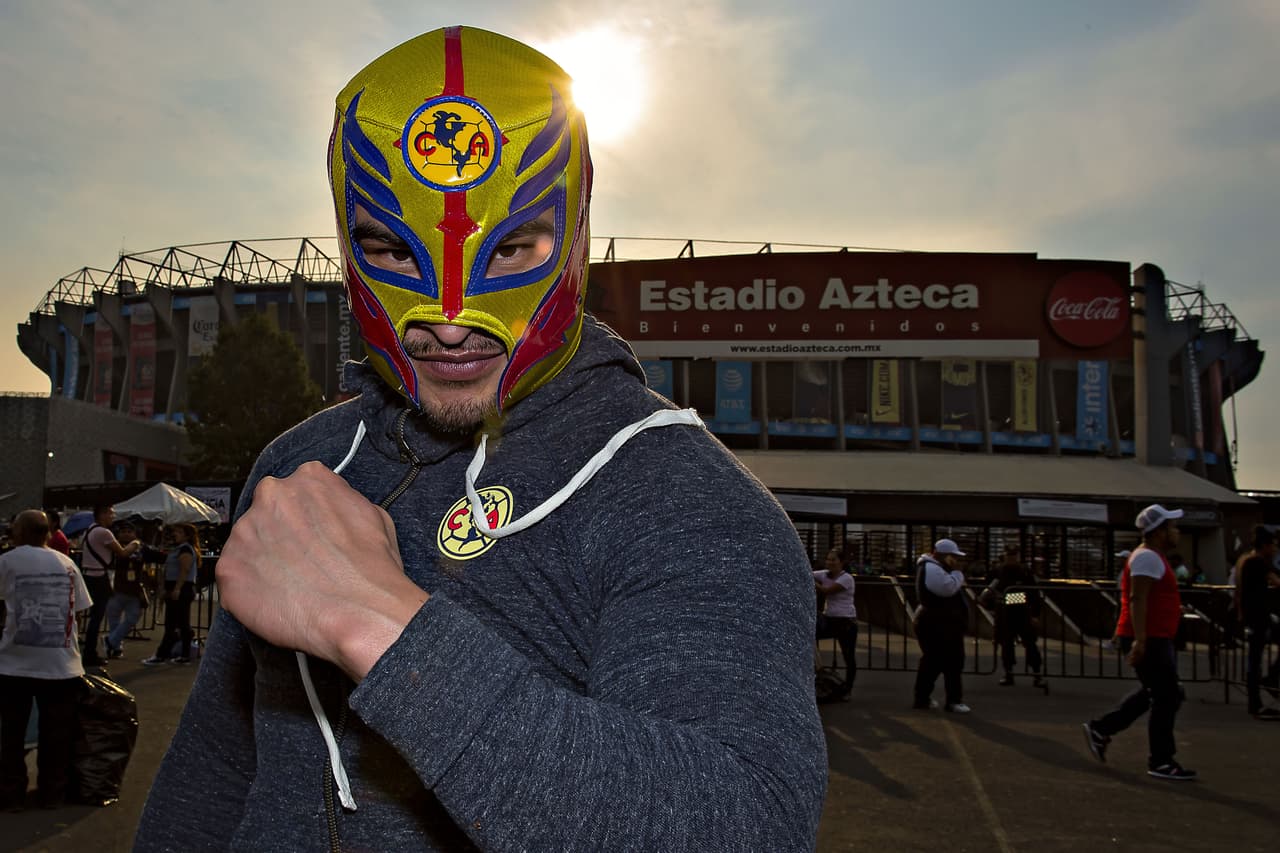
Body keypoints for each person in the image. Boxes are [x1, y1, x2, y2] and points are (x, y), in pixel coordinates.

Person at [135, 26, 825, 852]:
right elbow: (217, 767)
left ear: (574, 233)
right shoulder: (297, 465)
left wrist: (381, 625)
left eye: (514, 247)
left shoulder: (686, 499)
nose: (451, 319)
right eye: (391, 248)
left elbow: (746, 822)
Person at [1084, 504, 1197, 780]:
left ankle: (1102, 729)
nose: (1176, 531)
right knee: (1166, 696)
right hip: (1151, 637)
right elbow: (1138, 599)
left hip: (1155, 636)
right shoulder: (1148, 558)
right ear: (1159, 531)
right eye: (1172, 526)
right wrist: (1140, 641)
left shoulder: (1152, 557)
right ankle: (1160, 760)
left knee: (1160, 693)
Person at [0, 509, 93, 810]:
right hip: (62, 666)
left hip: (14, 663)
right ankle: (52, 794)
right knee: (56, 735)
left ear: (21, 532)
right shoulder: (67, 563)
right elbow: (80, 608)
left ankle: (11, 794)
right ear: (47, 533)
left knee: (11, 734)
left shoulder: (7, 561)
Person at [912, 539, 970, 713]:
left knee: (938, 661)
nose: (957, 561)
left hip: (942, 623)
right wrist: (958, 574)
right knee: (943, 661)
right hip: (939, 624)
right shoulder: (932, 568)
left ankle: (926, 698)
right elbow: (947, 588)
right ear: (945, 555)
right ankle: (951, 700)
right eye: (954, 557)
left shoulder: (934, 568)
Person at [79, 504, 141, 666]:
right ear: (102, 514)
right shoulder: (103, 532)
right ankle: (90, 653)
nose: (113, 517)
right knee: (96, 617)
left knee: (95, 616)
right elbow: (122, 553)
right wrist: (135, 543)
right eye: (111, 514)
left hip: (90, 575)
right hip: (99, 577)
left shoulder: (90, 530)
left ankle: (90, 651)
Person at [1235, 526, 1280, 719]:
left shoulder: (1244, 560)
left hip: (1250, 615)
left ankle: (1264, 688)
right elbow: (1276, 581)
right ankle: (1259, 699)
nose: (1276, 549)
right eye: (1273, 546)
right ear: (1265, 545)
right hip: (1258, 616)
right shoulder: (1258, 562)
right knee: (1254, 661)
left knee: (1254, 660)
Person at [983, 544, 1043, 687]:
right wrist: (993, 605)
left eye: (1013, 556)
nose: (1011, 559)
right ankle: (1008, 673)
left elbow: (1034, 594)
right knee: (1006, 644)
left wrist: (1035, 614)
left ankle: (1037, 674)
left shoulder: (1025, 572)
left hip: (1023, 613)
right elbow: (987, 593)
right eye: (1009, 556)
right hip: (1004, 615)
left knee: (1030, 644)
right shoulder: (996, 572)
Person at [103, 523, 165, 660]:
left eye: (129, 531)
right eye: (123, 531)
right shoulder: (112, 546)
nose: (126, 534)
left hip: (134, 591)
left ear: (135, 533)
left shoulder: (141, 548)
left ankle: (111, 641)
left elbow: (159, 556)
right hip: (115, 589)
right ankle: (116, 648)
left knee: (132, 618)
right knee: (114, 621)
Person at [141, 523, 200, 666]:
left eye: (179, 532)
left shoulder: (185, 549)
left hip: (181, 588)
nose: (175, 534)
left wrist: (177, 589)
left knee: (175, 623)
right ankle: (177, 654)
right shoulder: (178, 549)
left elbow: (184, 570)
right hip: (175, 588)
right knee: (176, 623)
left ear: (187, 535)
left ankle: (165, 654)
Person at [814, 547, 857, 701]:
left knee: (849, 656)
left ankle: (848, 688)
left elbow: (827, 591)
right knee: (811, 635)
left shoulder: (846, 578)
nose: (830, 562)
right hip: (830, 619)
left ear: (841, 562)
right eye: (828, 559)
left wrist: (813, 581)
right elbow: (809, 572)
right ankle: (818, 671)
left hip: (846, 621)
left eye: (834, 559)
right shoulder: (824, 574)